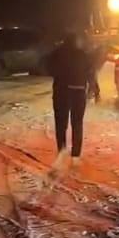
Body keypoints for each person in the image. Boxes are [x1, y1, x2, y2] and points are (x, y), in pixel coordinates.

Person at [47, 31, 94, 167]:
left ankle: (62, 149)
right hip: (78, 91)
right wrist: (92, 88)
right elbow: (90, 72)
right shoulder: (83, 55)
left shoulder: (56, 54)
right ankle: (76, 155)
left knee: (61, 123)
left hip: (61, 91)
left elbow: (49, 69)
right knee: (77, 123)